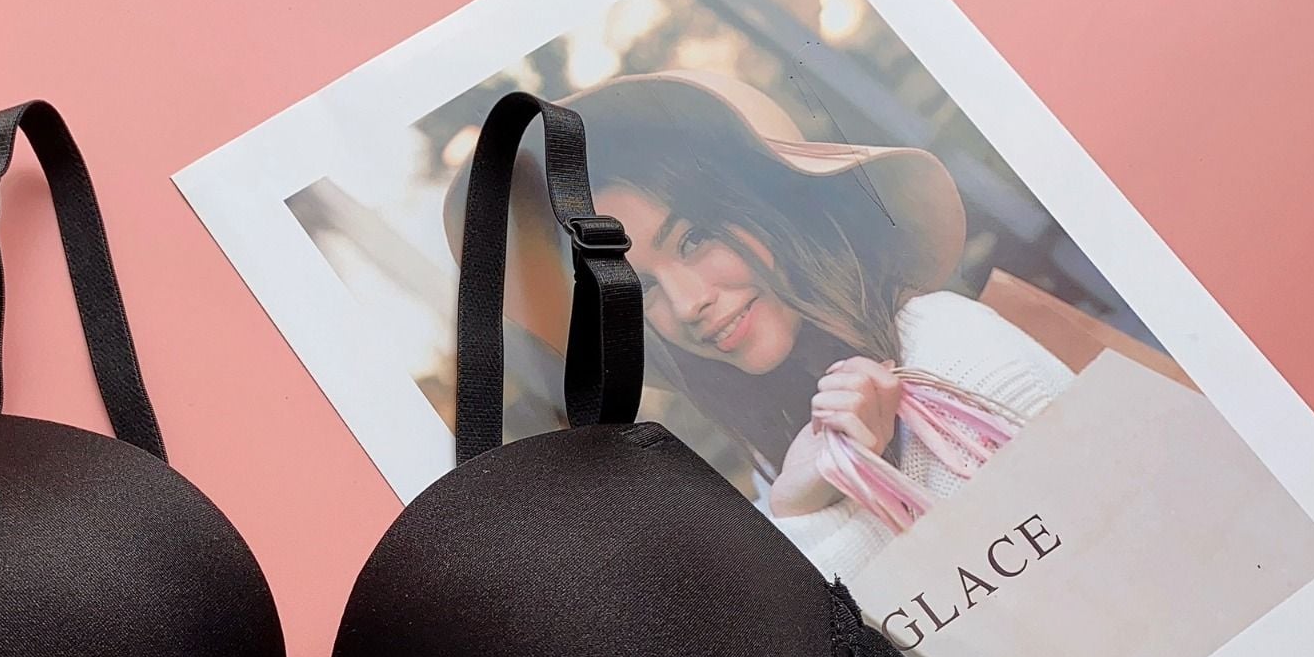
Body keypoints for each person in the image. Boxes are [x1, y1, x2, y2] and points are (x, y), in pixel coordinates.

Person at [444, 70, 1073, 580]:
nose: (688, 304)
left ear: (766, 213)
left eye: (693, 239)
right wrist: (794, 496)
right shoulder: (778, 441)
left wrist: (802, 510)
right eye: (641, 289)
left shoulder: (947, 355)